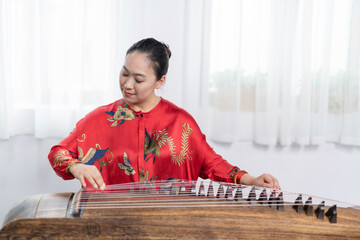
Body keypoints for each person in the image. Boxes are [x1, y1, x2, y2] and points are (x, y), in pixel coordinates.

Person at [48, 38, 280, 191]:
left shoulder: (180, 121)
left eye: (138, 79)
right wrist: (76, 166)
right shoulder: (100, 118)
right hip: (112, 223)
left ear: (160, 81)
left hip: (169, 223)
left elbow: (210, 163)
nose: (127, 85)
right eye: (124, 74)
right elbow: (58, 153)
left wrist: (251, 180)